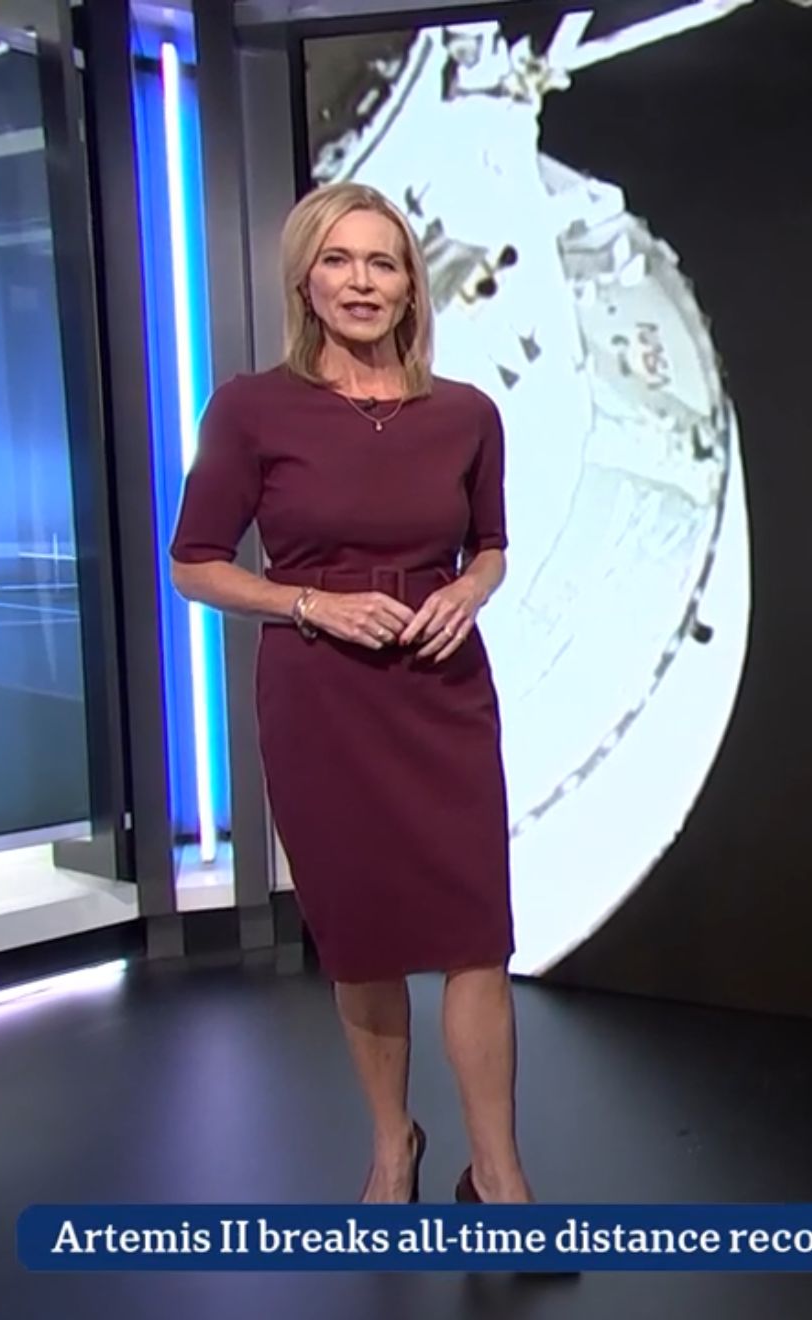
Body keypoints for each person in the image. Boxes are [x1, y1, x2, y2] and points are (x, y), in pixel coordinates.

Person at [167, 181, 534, 1206]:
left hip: (442, 690)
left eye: (382, 261)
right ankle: (392, 1147)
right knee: (363, 936)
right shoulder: (251, 408)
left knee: (475, 937)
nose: (361, 282)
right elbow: (194, 564)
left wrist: (469, 589)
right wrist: (308, 604)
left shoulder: (467, 413)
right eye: (338, 260)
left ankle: (499, 1173)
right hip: (321, 695)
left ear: (412, 283)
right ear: (305, 280)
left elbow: (490, 545)